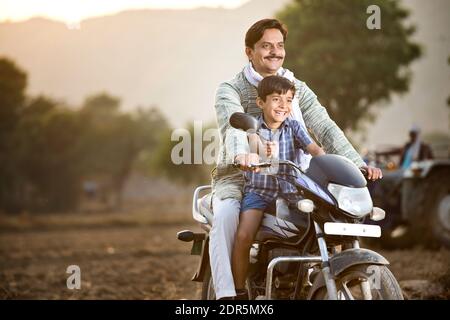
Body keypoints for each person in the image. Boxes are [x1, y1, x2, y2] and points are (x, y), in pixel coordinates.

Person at [210, 18, 382, 300]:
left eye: (279, 46)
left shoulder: (296, 88)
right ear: (249, 52)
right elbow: (235, 126)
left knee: (331, 212)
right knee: (227, 216)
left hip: (293, 175)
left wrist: (355, 163)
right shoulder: (231, 89)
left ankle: (325, 276)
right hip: (241, 175)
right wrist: (243, 154)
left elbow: (324, 128)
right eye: (266, 46)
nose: (274, 52)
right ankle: (229, 295)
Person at [231, 76, 325, 299]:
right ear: (261, 102)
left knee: (325, 226)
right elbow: (255, 146)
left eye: (289, 100)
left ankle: (318, 275)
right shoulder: (254, 126)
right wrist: (261, 152)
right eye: (276, 99)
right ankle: (238, 291)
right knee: (244, 236)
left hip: (291, 193)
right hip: (260, 193)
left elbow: (315, 150)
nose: (284, 105)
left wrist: (333, 164)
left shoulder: (293, 125)